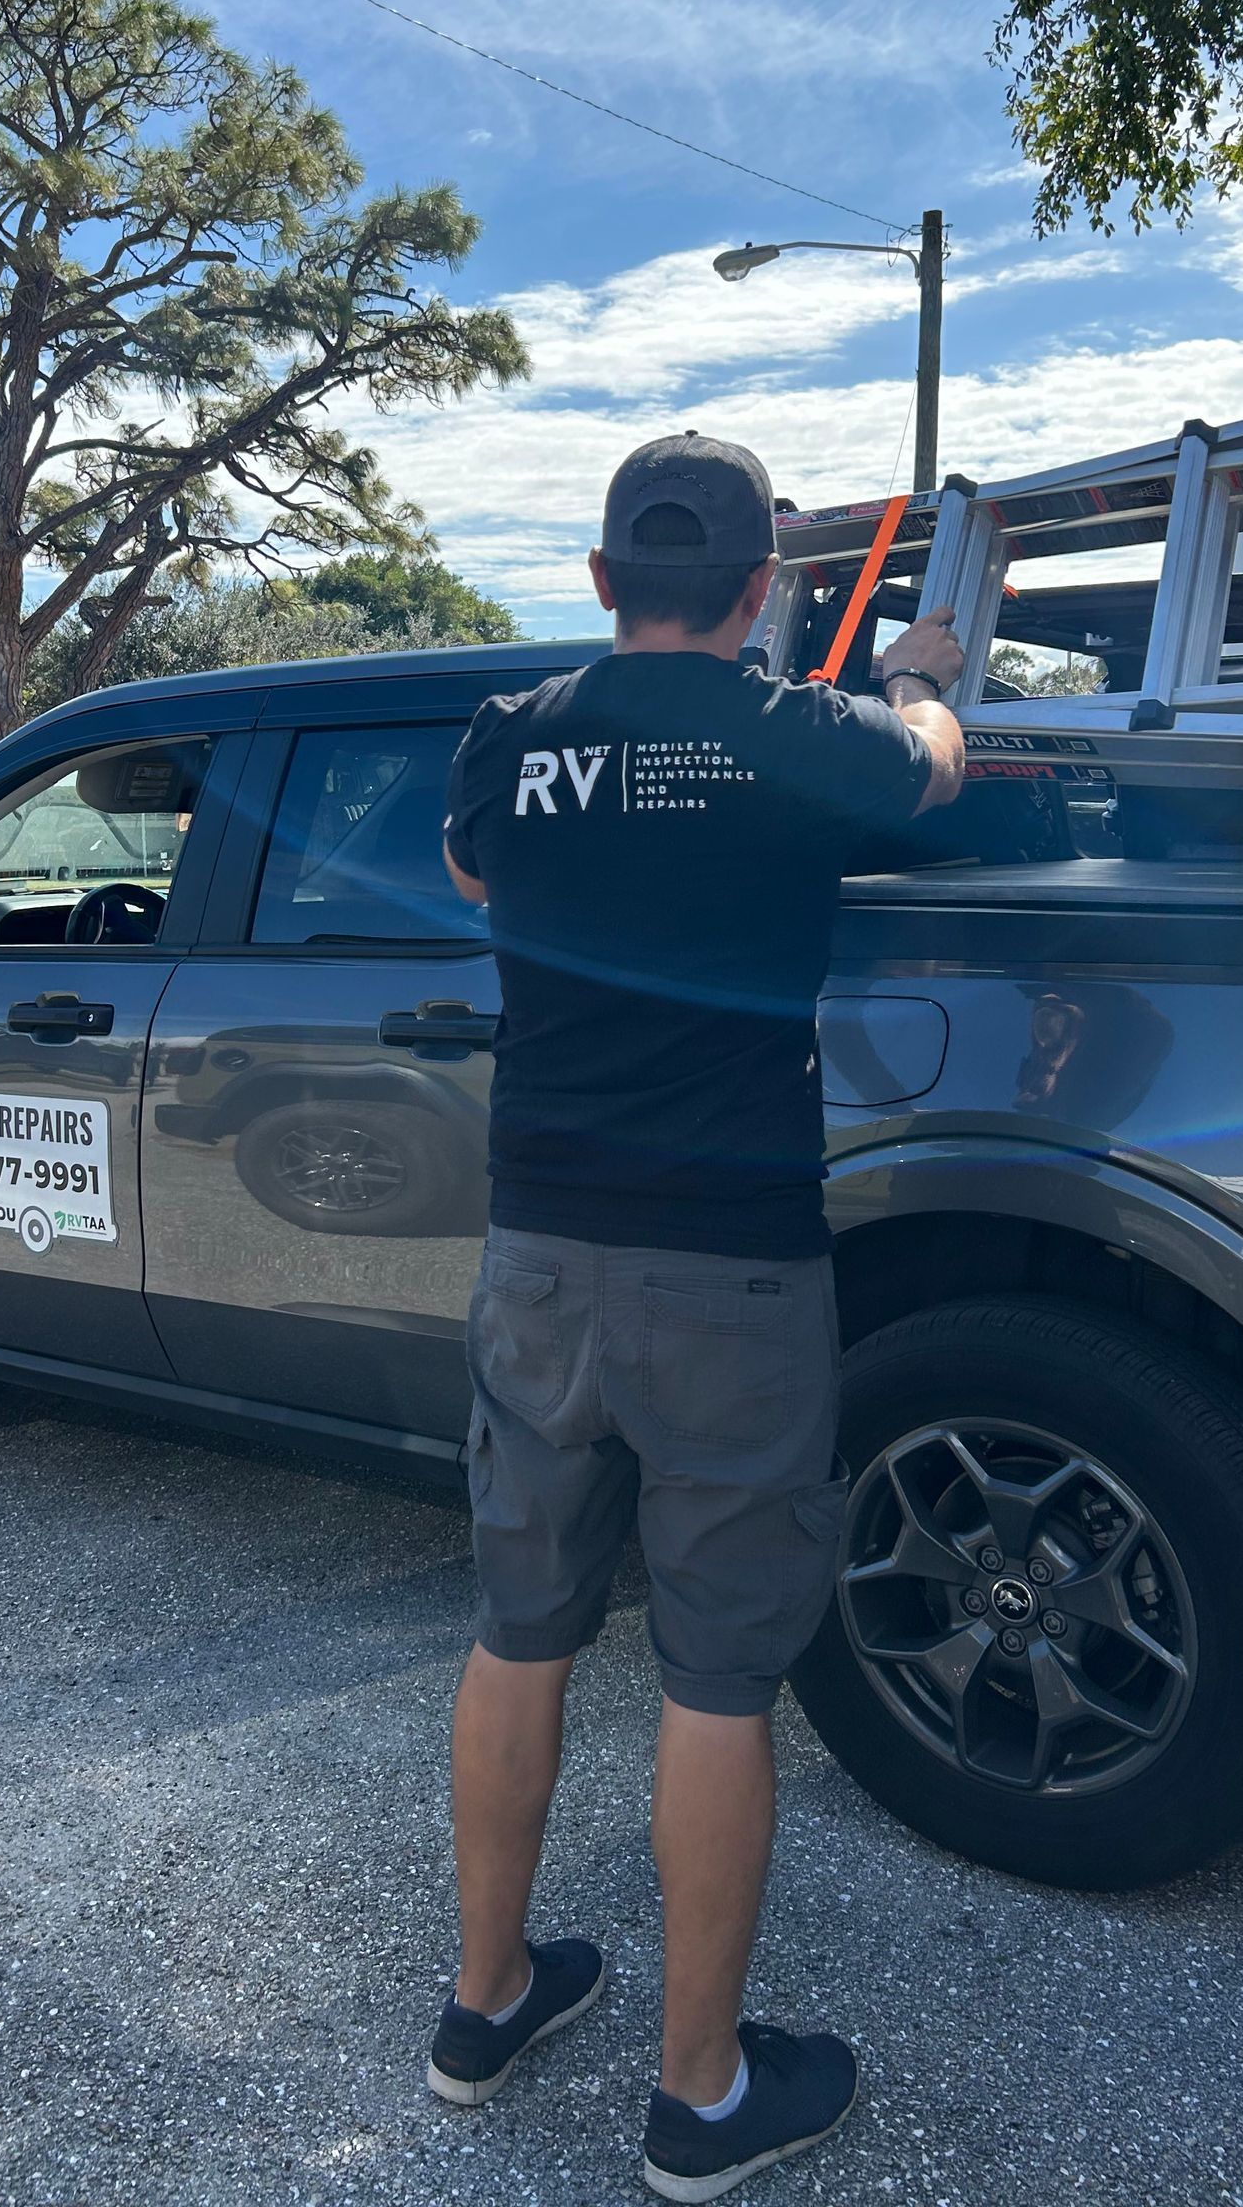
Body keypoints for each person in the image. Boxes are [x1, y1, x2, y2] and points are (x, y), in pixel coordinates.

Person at [427, 431, 965, 2199]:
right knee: (720, 1678)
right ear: (759, 591)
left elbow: (478, 881)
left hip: (539, 1258)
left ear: (596, 582)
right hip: (732, 1268)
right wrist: (921, 675)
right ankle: (701, 2097)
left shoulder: (511, 739)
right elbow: (936, 773)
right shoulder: (800, 734)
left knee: (521, 1628)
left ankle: (486, 2003)